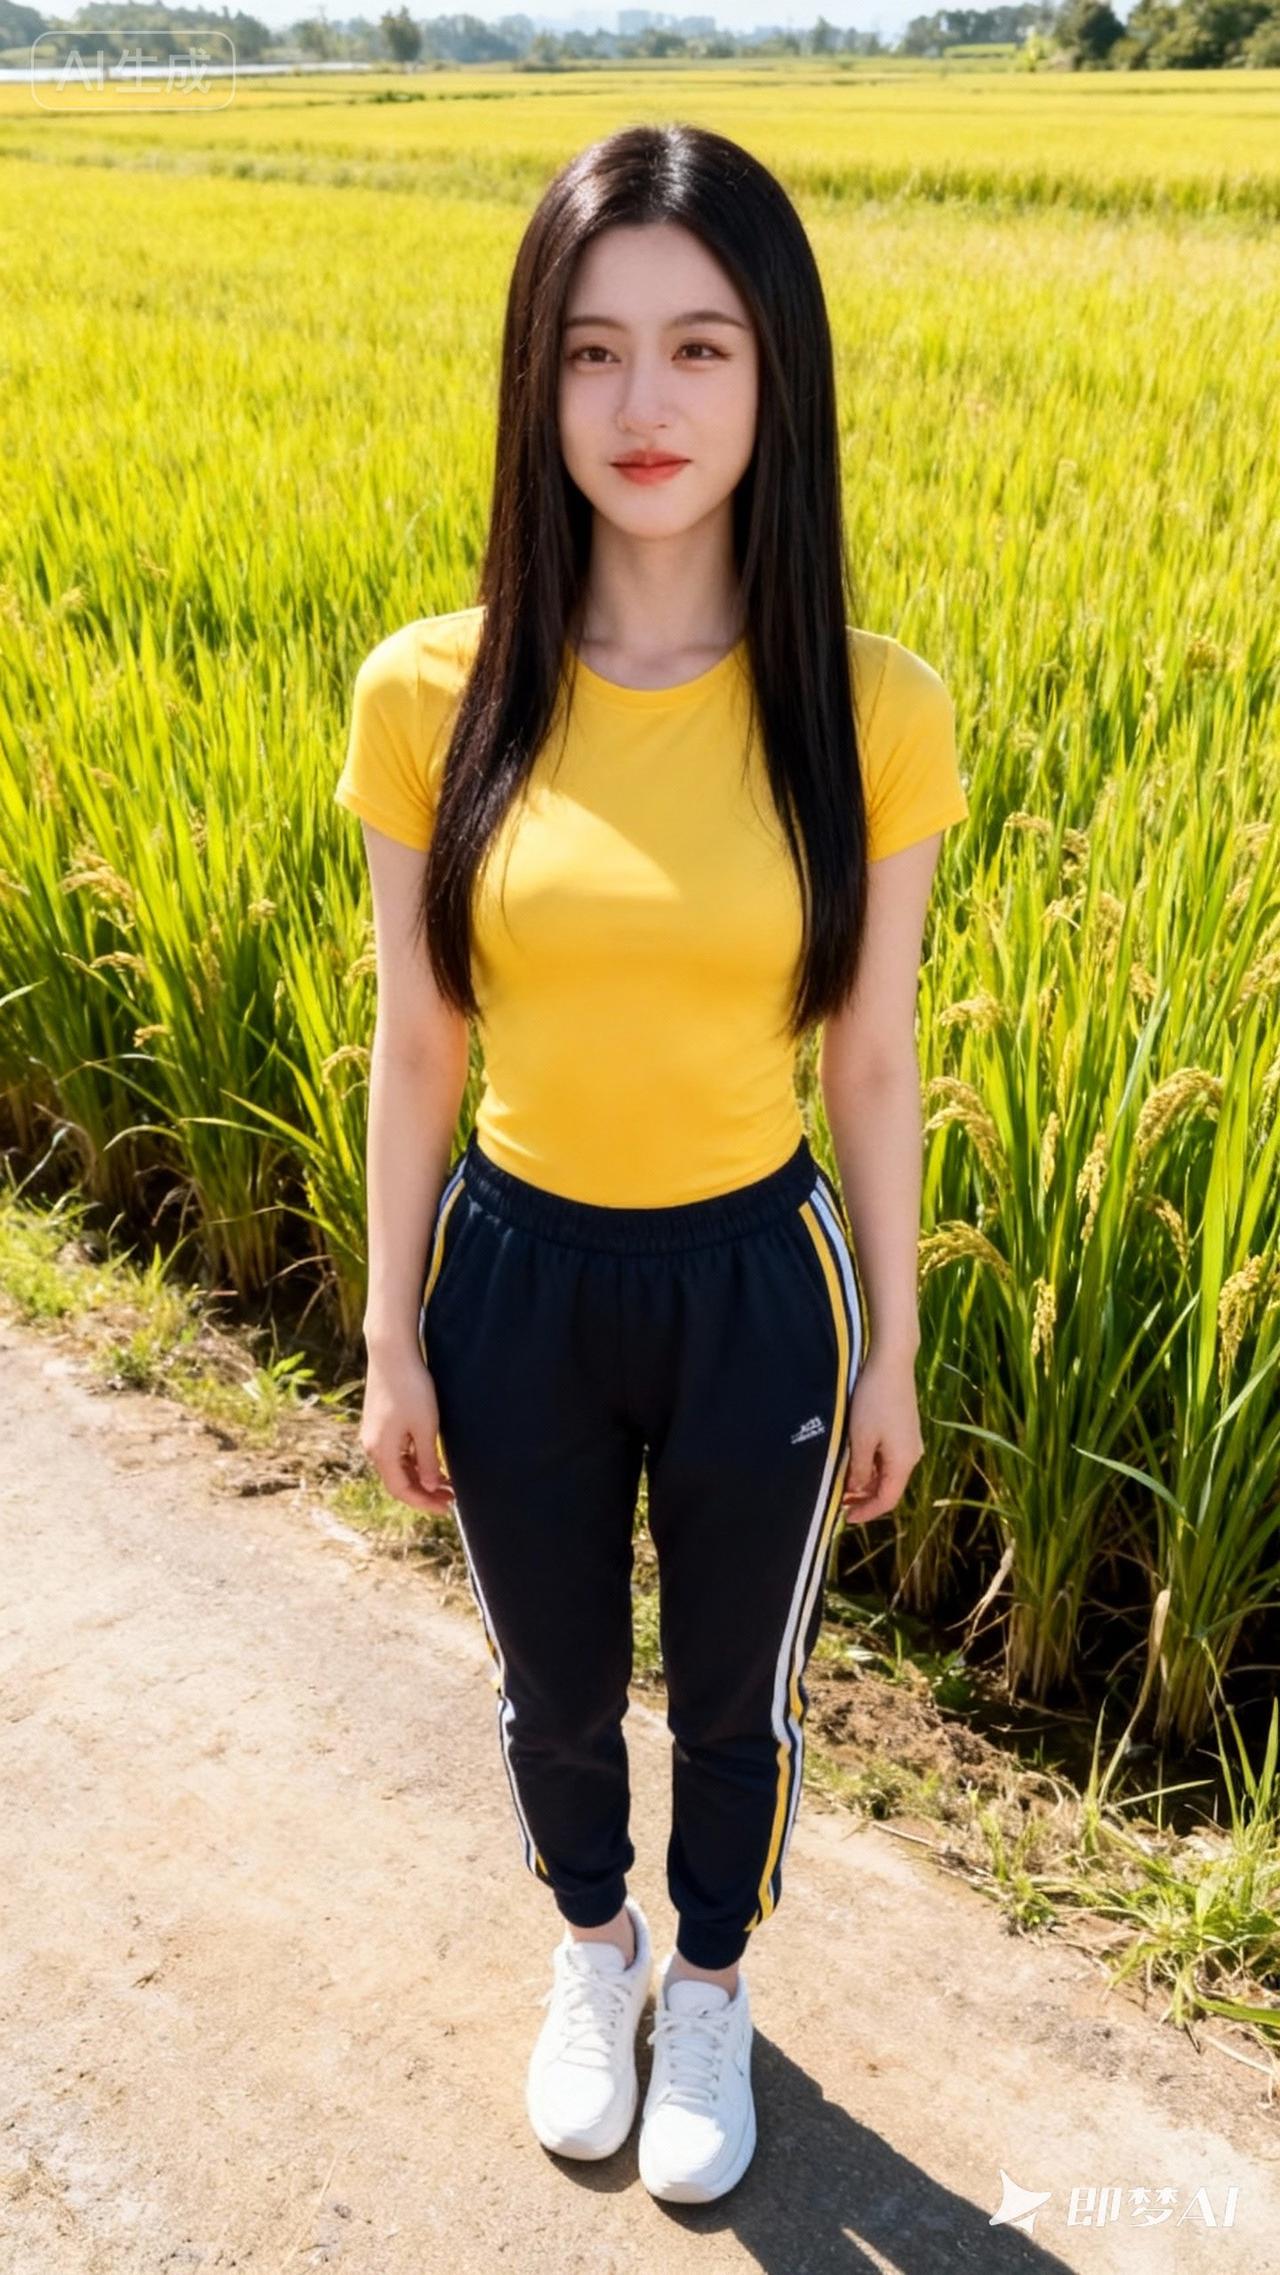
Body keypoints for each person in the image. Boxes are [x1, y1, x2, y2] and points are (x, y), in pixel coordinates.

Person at [334, 121, 969, 2206]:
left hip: (755, 1284)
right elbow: (419, 1037)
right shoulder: (431, 691)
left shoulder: (869, 710)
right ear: (537, 379)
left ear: (776, 374)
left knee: (734, 1699)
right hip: (510, 1271)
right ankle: (591, 1943)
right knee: (551, 1683)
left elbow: (869, 1057)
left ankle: (708, 1978)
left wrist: (892, 1347)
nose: (643, 403)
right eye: (593, 350)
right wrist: (390, 1330)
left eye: (700, 347)